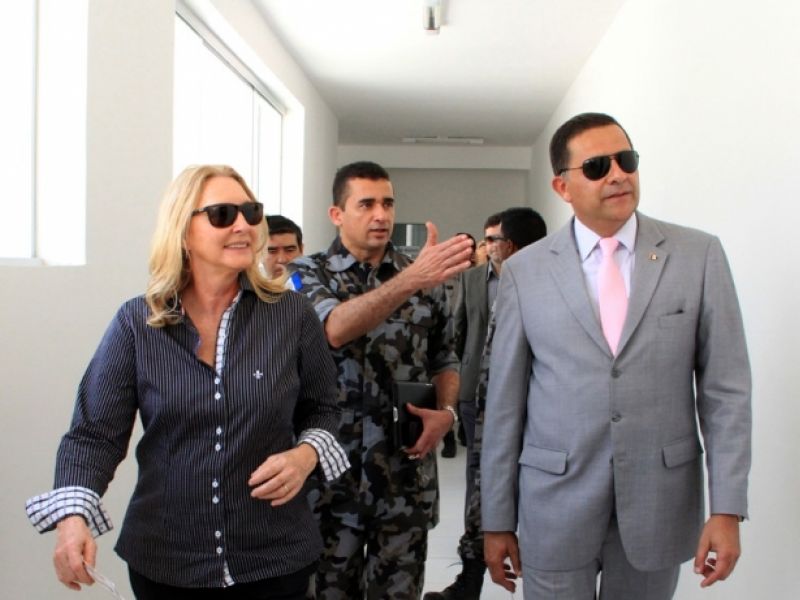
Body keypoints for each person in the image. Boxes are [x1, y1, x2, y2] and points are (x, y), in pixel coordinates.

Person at [25, 165, 348, 599]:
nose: (243, 225)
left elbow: (324, 408)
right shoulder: (137, 323)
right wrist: (72, 518)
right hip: (166, 563)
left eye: (251, 212)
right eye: (222, 214)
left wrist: (305, 455)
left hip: (274, 559)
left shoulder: (292, 314)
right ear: (182, 231)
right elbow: (94, 434)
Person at [481, 112, 751, 600]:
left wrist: (727, 507)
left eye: (626, 160)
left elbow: (725, 393)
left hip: (659, 504)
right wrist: (496, 519)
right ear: (562, 186)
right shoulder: (525, 272)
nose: (618, 175)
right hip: (554, 505)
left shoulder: (698, 256)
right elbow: (504, 405)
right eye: (597, 166)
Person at [289, 160, 474, 599]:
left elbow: (445, 357)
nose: (381, 215)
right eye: (367, 204)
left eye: (388, 204)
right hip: (329, 483)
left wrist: (447, 413)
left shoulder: (425, 278)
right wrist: (411, 279)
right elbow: (335, 328)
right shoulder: (302, 273)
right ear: (337, 214)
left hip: (403, 481)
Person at [425, 207, 547, 600]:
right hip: (480, 400)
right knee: (480, 483)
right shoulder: (474, 280)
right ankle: (469, 579)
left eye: (493, 239)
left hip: (538, 405)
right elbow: (459, 334)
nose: (487, 246)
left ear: (511, 245)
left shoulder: (550, 286)